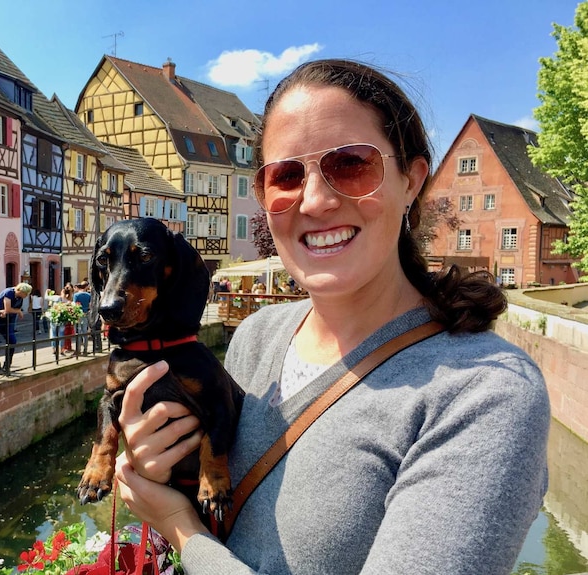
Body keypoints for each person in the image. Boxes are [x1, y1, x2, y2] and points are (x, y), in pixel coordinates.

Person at [113, 59, 550, 575]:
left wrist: (180, 530)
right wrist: (158, 470)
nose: (316, 201)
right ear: (264, 197)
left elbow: (197, 533)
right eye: (287, 175)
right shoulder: (255, 338)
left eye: (351, 164)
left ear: (411, 181)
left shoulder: (484, 394)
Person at [0, 282, 32, 372]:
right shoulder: (9, 293)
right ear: (20, 291)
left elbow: (15, 309)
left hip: (9, 321)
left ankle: (7, 365)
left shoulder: (19, 297)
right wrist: (18, 311)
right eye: (26, 294)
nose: (26, 296)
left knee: (12, 341)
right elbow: (7, 309)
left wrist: (16, 311)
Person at [72, 281, 92, 353]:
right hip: (86, 313)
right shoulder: (88, 295)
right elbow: (90, 305)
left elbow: (75, 305)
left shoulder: (76, 295)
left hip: (78, 315)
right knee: (85, 332)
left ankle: (78, 349)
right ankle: (85, 349)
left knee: (78, 332)